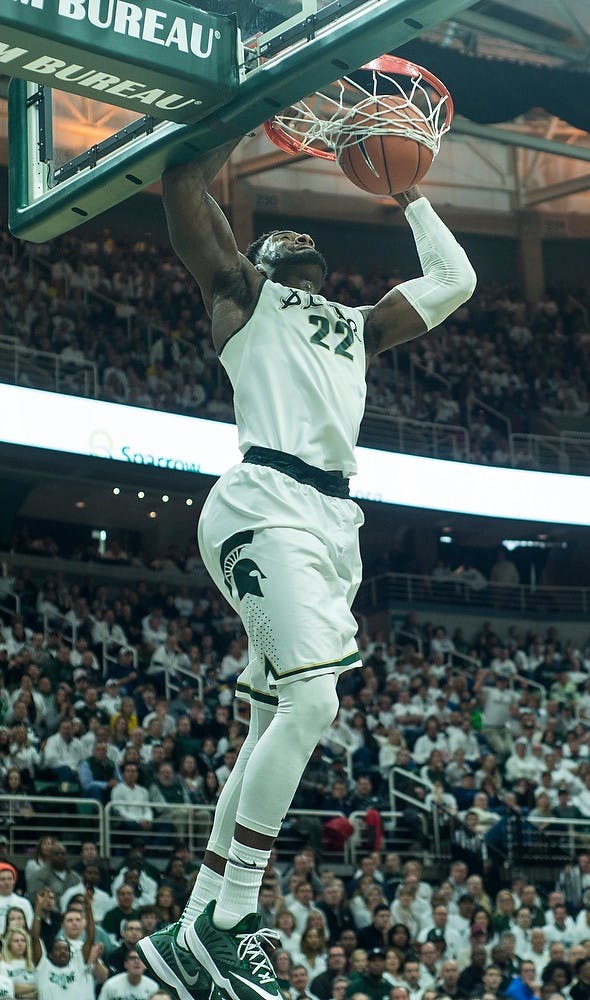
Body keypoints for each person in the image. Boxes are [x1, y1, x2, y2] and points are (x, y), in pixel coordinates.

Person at [137, 135, 475, 1000]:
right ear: (257, 259)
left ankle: (192, 926)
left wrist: (409, 197)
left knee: (268, 728)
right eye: (279, 244)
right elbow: (181, 182)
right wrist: (234, 115)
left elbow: (455, 282)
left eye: (311, 251)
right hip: (265, 502)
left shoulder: (359, 327)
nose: (299, 248)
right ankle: (231, 917)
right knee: (315, 700)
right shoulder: (243, 294)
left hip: (330, 521)